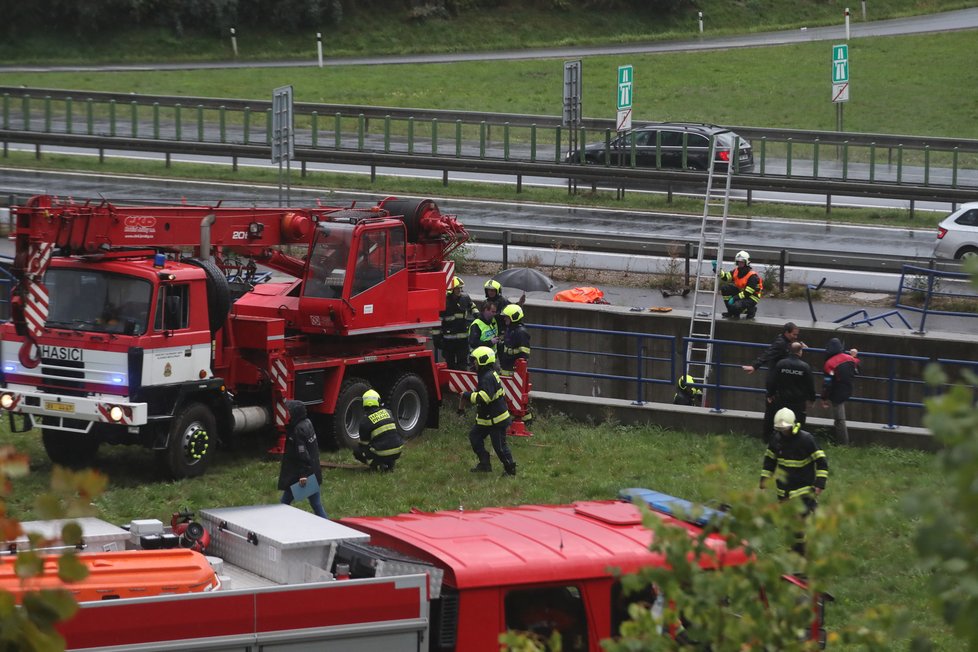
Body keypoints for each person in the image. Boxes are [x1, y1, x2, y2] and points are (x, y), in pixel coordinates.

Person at [759, 407, 828, 556]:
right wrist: (764, 481)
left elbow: (822, 462)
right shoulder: (776, 439)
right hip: (783, 491)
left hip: (803, 490)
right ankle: (797, 549)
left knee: (799, 524)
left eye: (785, 429)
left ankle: (801, 553)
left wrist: (820, 483)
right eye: (780, 430)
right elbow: (769, 461)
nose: (783, 433)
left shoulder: (807, 440)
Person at [743, 322, 804, 442]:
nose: (795, 337)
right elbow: (768, 354)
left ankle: (775, 436)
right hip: (775, 383)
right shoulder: (780, 344)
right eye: (794, 334)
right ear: (786, 332)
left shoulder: (786, 342)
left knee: (775, 410)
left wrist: (798, 345)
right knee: (771, 412)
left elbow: (790, 347)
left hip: (780, 382)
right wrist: (755, 366)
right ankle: (768, 437)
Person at [461, 346, 517, 476]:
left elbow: (484, 397)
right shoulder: (485, 375)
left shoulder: (487, 377)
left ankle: (510, 469)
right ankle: (485, 464)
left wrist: (467, 395)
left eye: (475, 360)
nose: (473, 363)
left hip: (496, 419)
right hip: (487, 417)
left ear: (483, 360)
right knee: (474, 437)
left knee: (499, 447)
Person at [277, 400, 328, 519]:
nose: (287, 415)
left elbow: (302, 455)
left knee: (284, 503)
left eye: (289, 412)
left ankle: (278, 524)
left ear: (295, 414)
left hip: (300, 477)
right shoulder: (307, 423)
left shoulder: (297, 431)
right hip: (313, 473)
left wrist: (303, 475)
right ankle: (329, 526)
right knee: (316, 504)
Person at [766, 341, 816, 430]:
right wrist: (812, 399)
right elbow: (810, 384)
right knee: (798, 421)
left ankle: (781, 436)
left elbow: (773, 380)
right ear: (800, 352)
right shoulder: (805, 367)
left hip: (782, 399)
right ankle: (796, 436)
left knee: (781, 419)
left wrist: (770, 394)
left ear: (789, 351)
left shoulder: (781, 364)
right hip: (798, 401)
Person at [821, 338, 860, 445]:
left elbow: (827, 383)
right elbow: (856, 369)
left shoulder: (829, 364)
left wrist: (824, 398)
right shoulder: (850, 359)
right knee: (839, 419)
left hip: (836, 393)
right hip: (847, 389)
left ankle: (843, 443)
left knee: (839, 419)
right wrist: (854, 355)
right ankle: (841, 442)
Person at [355, 389, 404, 471]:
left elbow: (364, 444)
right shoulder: (388, 412)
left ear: (363, 404)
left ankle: (374, 465)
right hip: (398, 450)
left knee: (357, 450)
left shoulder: (364, 421)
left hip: (381, 453)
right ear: (378, 401)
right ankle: (389, 465)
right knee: (388, 440)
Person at [435, 276, 477, 370]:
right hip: (448, 342)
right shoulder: (444, 302)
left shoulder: (465, 298)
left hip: (462, 341)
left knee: (462, 365)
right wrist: (437, 339)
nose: (459, 290)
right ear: (451, 289)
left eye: (460, 288)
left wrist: (478, 315)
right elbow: (438, 321)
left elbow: (472, 307)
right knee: (450, 365)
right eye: (457, 288)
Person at [714, 250, 762, 320]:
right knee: (725, 288)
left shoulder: (752, 276)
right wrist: (717, 270)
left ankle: (750, 310)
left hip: (752, 298)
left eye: (742, 261)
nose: (740, 263)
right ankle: (731, 312)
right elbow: (726, 277)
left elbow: (747, 293)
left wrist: (734, 298)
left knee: (736, 306)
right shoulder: (736, 271)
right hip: (742, 293)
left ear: (746, 262)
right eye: (738, 261)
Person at [498, 303, 531, 374]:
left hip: (514, 373)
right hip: (506, 369)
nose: (504, 318)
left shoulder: (521, 332)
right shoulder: (510, 329)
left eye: (507, 317)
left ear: (514, 317)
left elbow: (524, 354)